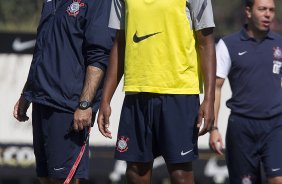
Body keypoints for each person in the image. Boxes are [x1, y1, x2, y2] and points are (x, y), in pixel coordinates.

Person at [97, 0, 216, 183]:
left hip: (179, 93)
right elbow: (120, 43)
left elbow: (206, 42)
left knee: (180, 174)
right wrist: (105, 99)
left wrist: (209, 98)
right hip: (137, 92)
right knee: (136, 171)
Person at [13, 0, 115, 183]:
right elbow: (41, 50)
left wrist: (85, 104)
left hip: (68, 107)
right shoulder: (50, 2)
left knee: (64, 180)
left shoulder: (98, 2)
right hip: (41, 101)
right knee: (45, 178)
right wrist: (26, 93)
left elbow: (99, 57)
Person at [209, 0, 282, 183]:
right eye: (262, 9)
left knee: (277, 178)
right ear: (248, 12)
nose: (268, 14)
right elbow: (216, 88)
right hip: (241, 128)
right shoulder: (228, 45)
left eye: (271, 10)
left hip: (275, 125)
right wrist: (214, 128)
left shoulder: (279, 44)